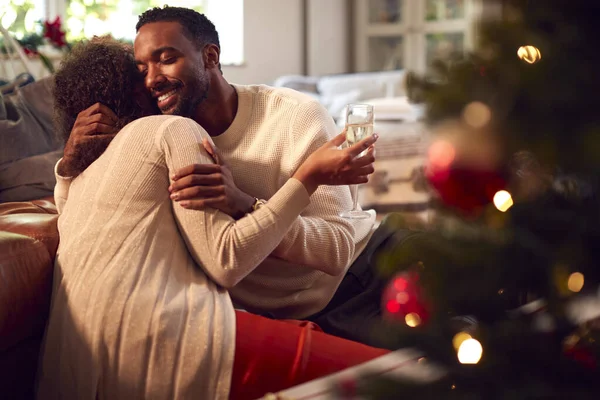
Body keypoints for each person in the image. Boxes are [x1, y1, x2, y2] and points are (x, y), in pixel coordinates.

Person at [37, 38, 386, 400]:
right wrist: (307, 177)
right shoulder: (170, 132)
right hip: (177, 339)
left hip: (77, 361)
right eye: (141, 70)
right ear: (133, 88)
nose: (154, 78)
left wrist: (69, 164)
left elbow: (336, 247)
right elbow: (226, 260)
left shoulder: (83, 174)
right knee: (396, 379)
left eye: (165, 60)